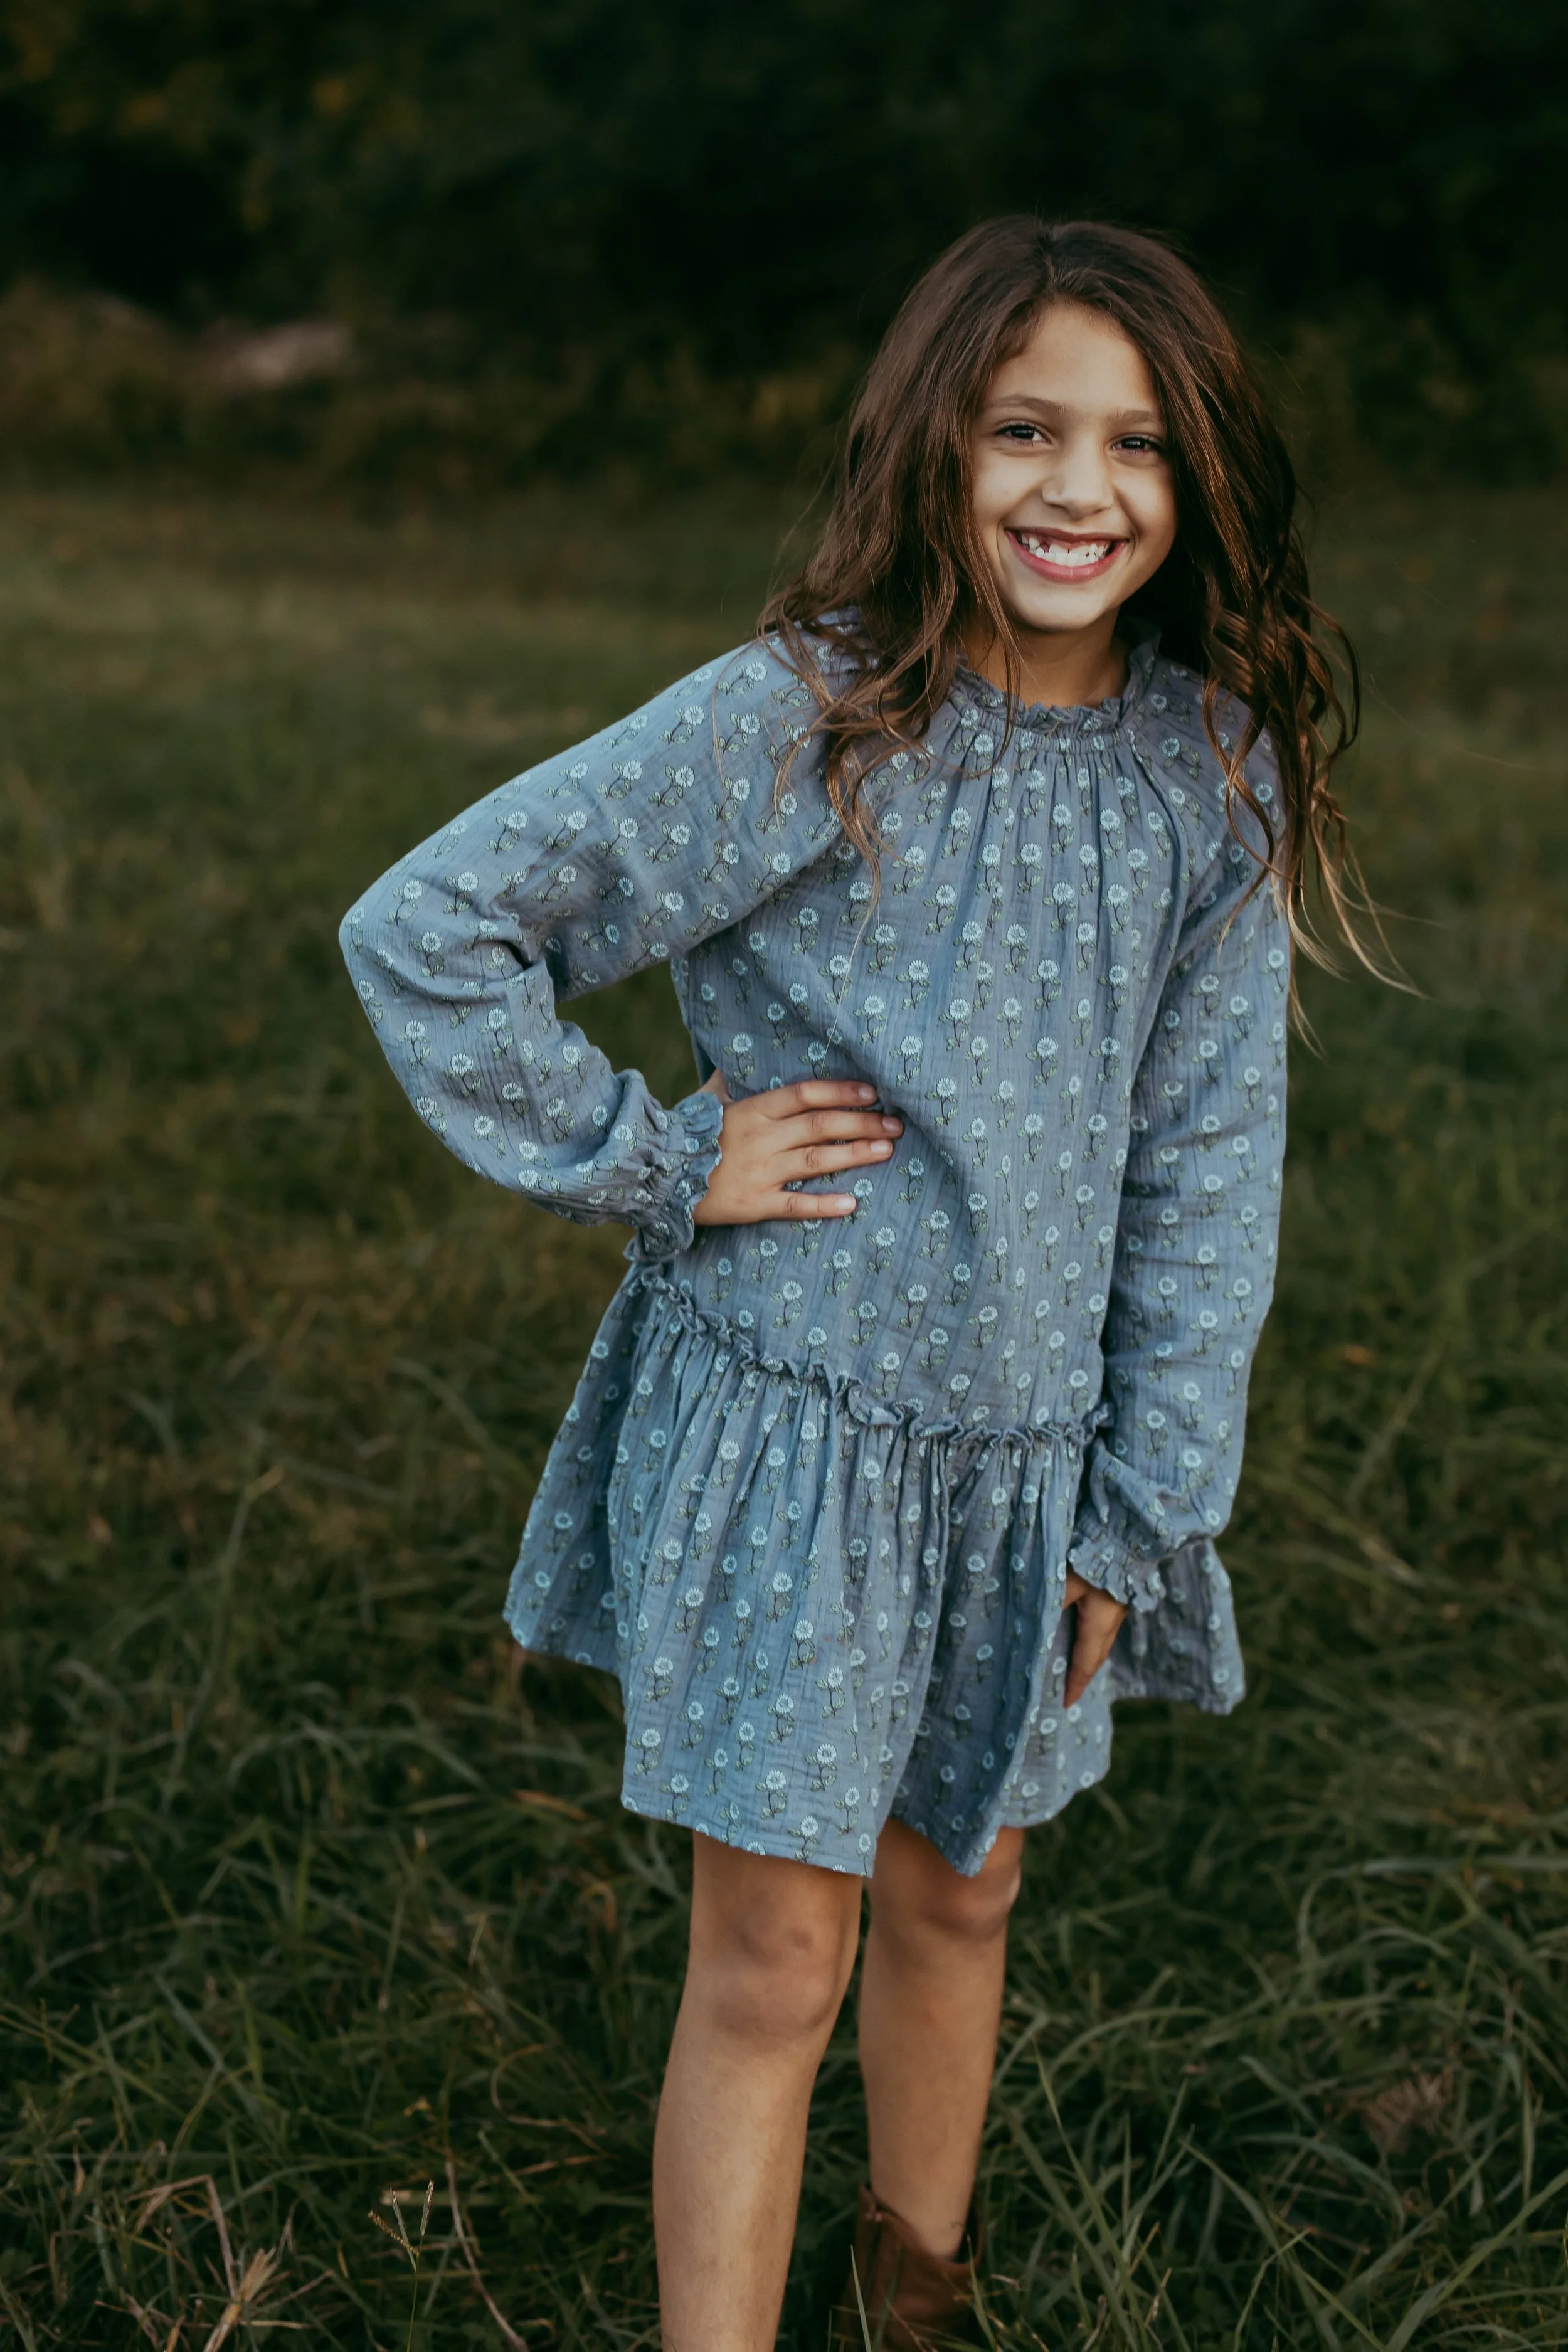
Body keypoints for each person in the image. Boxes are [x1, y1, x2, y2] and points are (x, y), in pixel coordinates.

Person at [339, 216, 1357, 2352]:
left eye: (1139, 446)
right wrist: (656, 1153)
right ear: (935, 441)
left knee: (960, 1887)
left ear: (1197, 487)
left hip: (1021, 1466)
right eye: (1025, 429)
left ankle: (918, 2288)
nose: (1080, 489)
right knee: (774, 1956)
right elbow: (431, 926)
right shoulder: (813, 717)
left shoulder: (1207, 775)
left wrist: (1143, 1501)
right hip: (795, 1446)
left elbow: (1204, 1170)